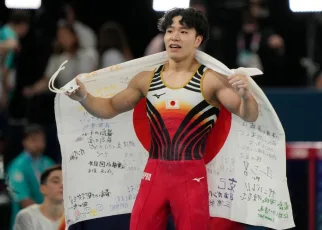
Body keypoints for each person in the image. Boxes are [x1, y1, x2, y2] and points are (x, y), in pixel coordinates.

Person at [67, 7, 258, 230]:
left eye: (183, 31)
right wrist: (83, 97)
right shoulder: (146, 79)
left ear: (197, 40)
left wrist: (246, 95)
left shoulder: (211, 80)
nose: (174, 36)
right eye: (170, 30)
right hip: (153, 174)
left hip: (190, 177)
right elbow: (109, 107)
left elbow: (249, 114)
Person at [7, 124, 55, 228]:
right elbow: (24, 200)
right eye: (34, 140)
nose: (38, 144)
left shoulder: (48, 162)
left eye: (41, 140)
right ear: (24, 142)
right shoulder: (17, 167)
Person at [13, 165, 64, 230]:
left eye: (65, 182)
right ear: (43, 188)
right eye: (55, 181)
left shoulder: (74, 218)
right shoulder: (27, 216)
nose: (62, 185)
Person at [0, 10, 30, 107]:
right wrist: (4, 90)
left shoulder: (3, 31)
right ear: (23, 24)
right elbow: (5, 67)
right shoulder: (12, 40)